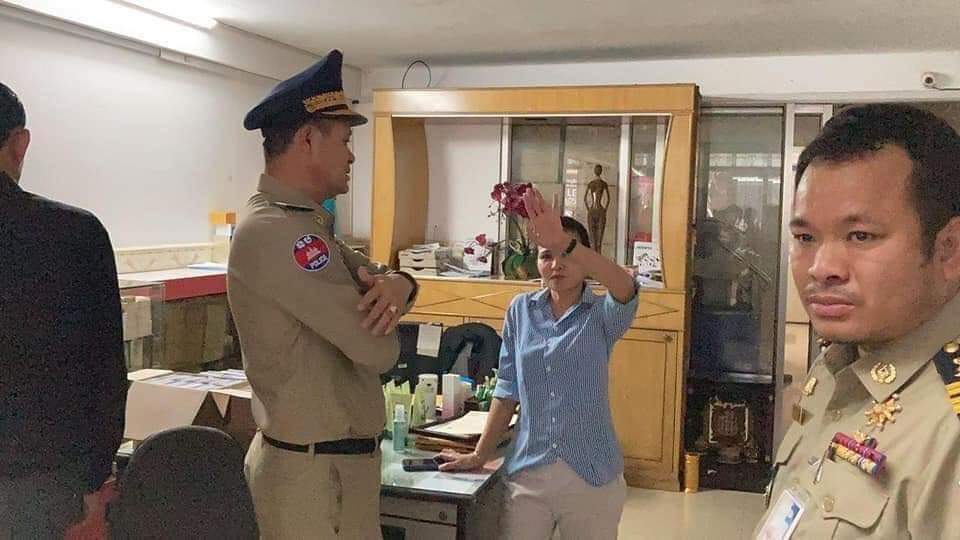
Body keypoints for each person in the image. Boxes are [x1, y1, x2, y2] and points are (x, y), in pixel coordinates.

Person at [228, 50, 418, 539]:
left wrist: (402, 284)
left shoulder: (308, 224)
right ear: (309, 140)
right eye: (345, 140)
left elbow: (385, 279)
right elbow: (377, 348)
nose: (352, 156)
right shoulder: (275, 231)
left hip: (334, 472)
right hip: (310, 480)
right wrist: (390, 300)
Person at [754, 104, 960, 539]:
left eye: (861, 236)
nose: (821, 268)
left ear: (949, 249)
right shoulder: (841, 359)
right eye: (805, 237)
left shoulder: (948, 427)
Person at [440, 188, 639, 539]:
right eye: (547, 255)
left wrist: (563, 241)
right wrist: (480, 454)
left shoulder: (602, 315)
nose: (557, 264)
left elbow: (626, 286)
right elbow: (507, 389)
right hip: (529, 469)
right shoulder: (521, 311)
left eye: (567, 255)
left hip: (592, 473)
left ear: (585, 259)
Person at [0, 82, 127, 538]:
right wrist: (94, 481)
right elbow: (106, 371)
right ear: (20, 143)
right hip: (44, 487)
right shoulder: (75, 234)